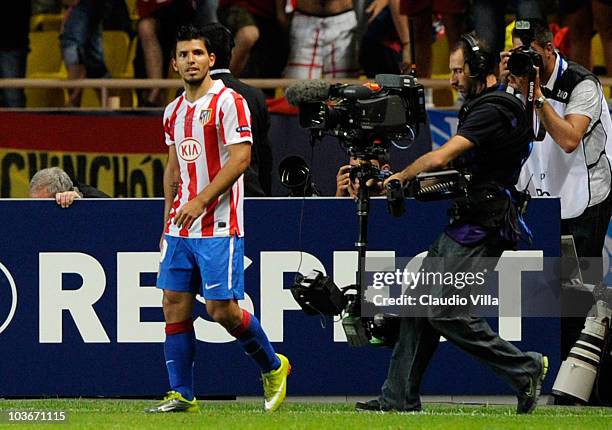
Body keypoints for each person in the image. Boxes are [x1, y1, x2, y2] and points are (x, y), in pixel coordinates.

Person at [355, 33, 548, 414]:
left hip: (483, 224)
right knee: (416, 303)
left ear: (479, 69)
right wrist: (397, 178)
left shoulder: (492, 108)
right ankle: (398, 397)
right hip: (468, 218)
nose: (452, 79)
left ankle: (525, 369)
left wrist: (403, 176)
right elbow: (458, 174)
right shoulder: (486, 105)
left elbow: (443, 157)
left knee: (446, 311)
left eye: (458, 70)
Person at [146, 24, 290, 414]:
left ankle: (274, 366)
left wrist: (201, 201)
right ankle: (181, 393)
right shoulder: (174, 110)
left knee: (220, 310)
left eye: (197, 53)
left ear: (211, 59)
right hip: (180, 227)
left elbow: (241, 159)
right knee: (173, 302)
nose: (190, 60)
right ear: (174, 64)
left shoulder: (229, 103)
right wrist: (167, 221)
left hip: (220, 225)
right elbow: (173, 169)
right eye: (183, 55)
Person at [502, 20, 612, 363]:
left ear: (549, 49)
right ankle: (551, 363)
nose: (528, 63)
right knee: (544, 288)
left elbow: (567, 139)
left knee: (579, 292)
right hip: (543, 195)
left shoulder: (582, 83)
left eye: (533, 55)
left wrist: (537, 97)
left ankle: (582, 371)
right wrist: (515, 88)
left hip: (586, 196)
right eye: (521, 56)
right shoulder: (517, 85)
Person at [202, 22, 274, 196]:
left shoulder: (187, 95)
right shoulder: (255, 96)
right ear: (232, 53)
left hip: (201, 197)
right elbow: (264, 156)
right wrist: (264, 198)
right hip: (249, 195)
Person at [283, 0, 359, 79]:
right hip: (304, 20)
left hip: (343, 20)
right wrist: (280, 13)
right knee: (299, 87)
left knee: (344, 87)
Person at [29, 167, 109, 207]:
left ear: (61, 197)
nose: (36, 208)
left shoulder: (98, 200)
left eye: (43, 203)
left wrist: (81, 205)